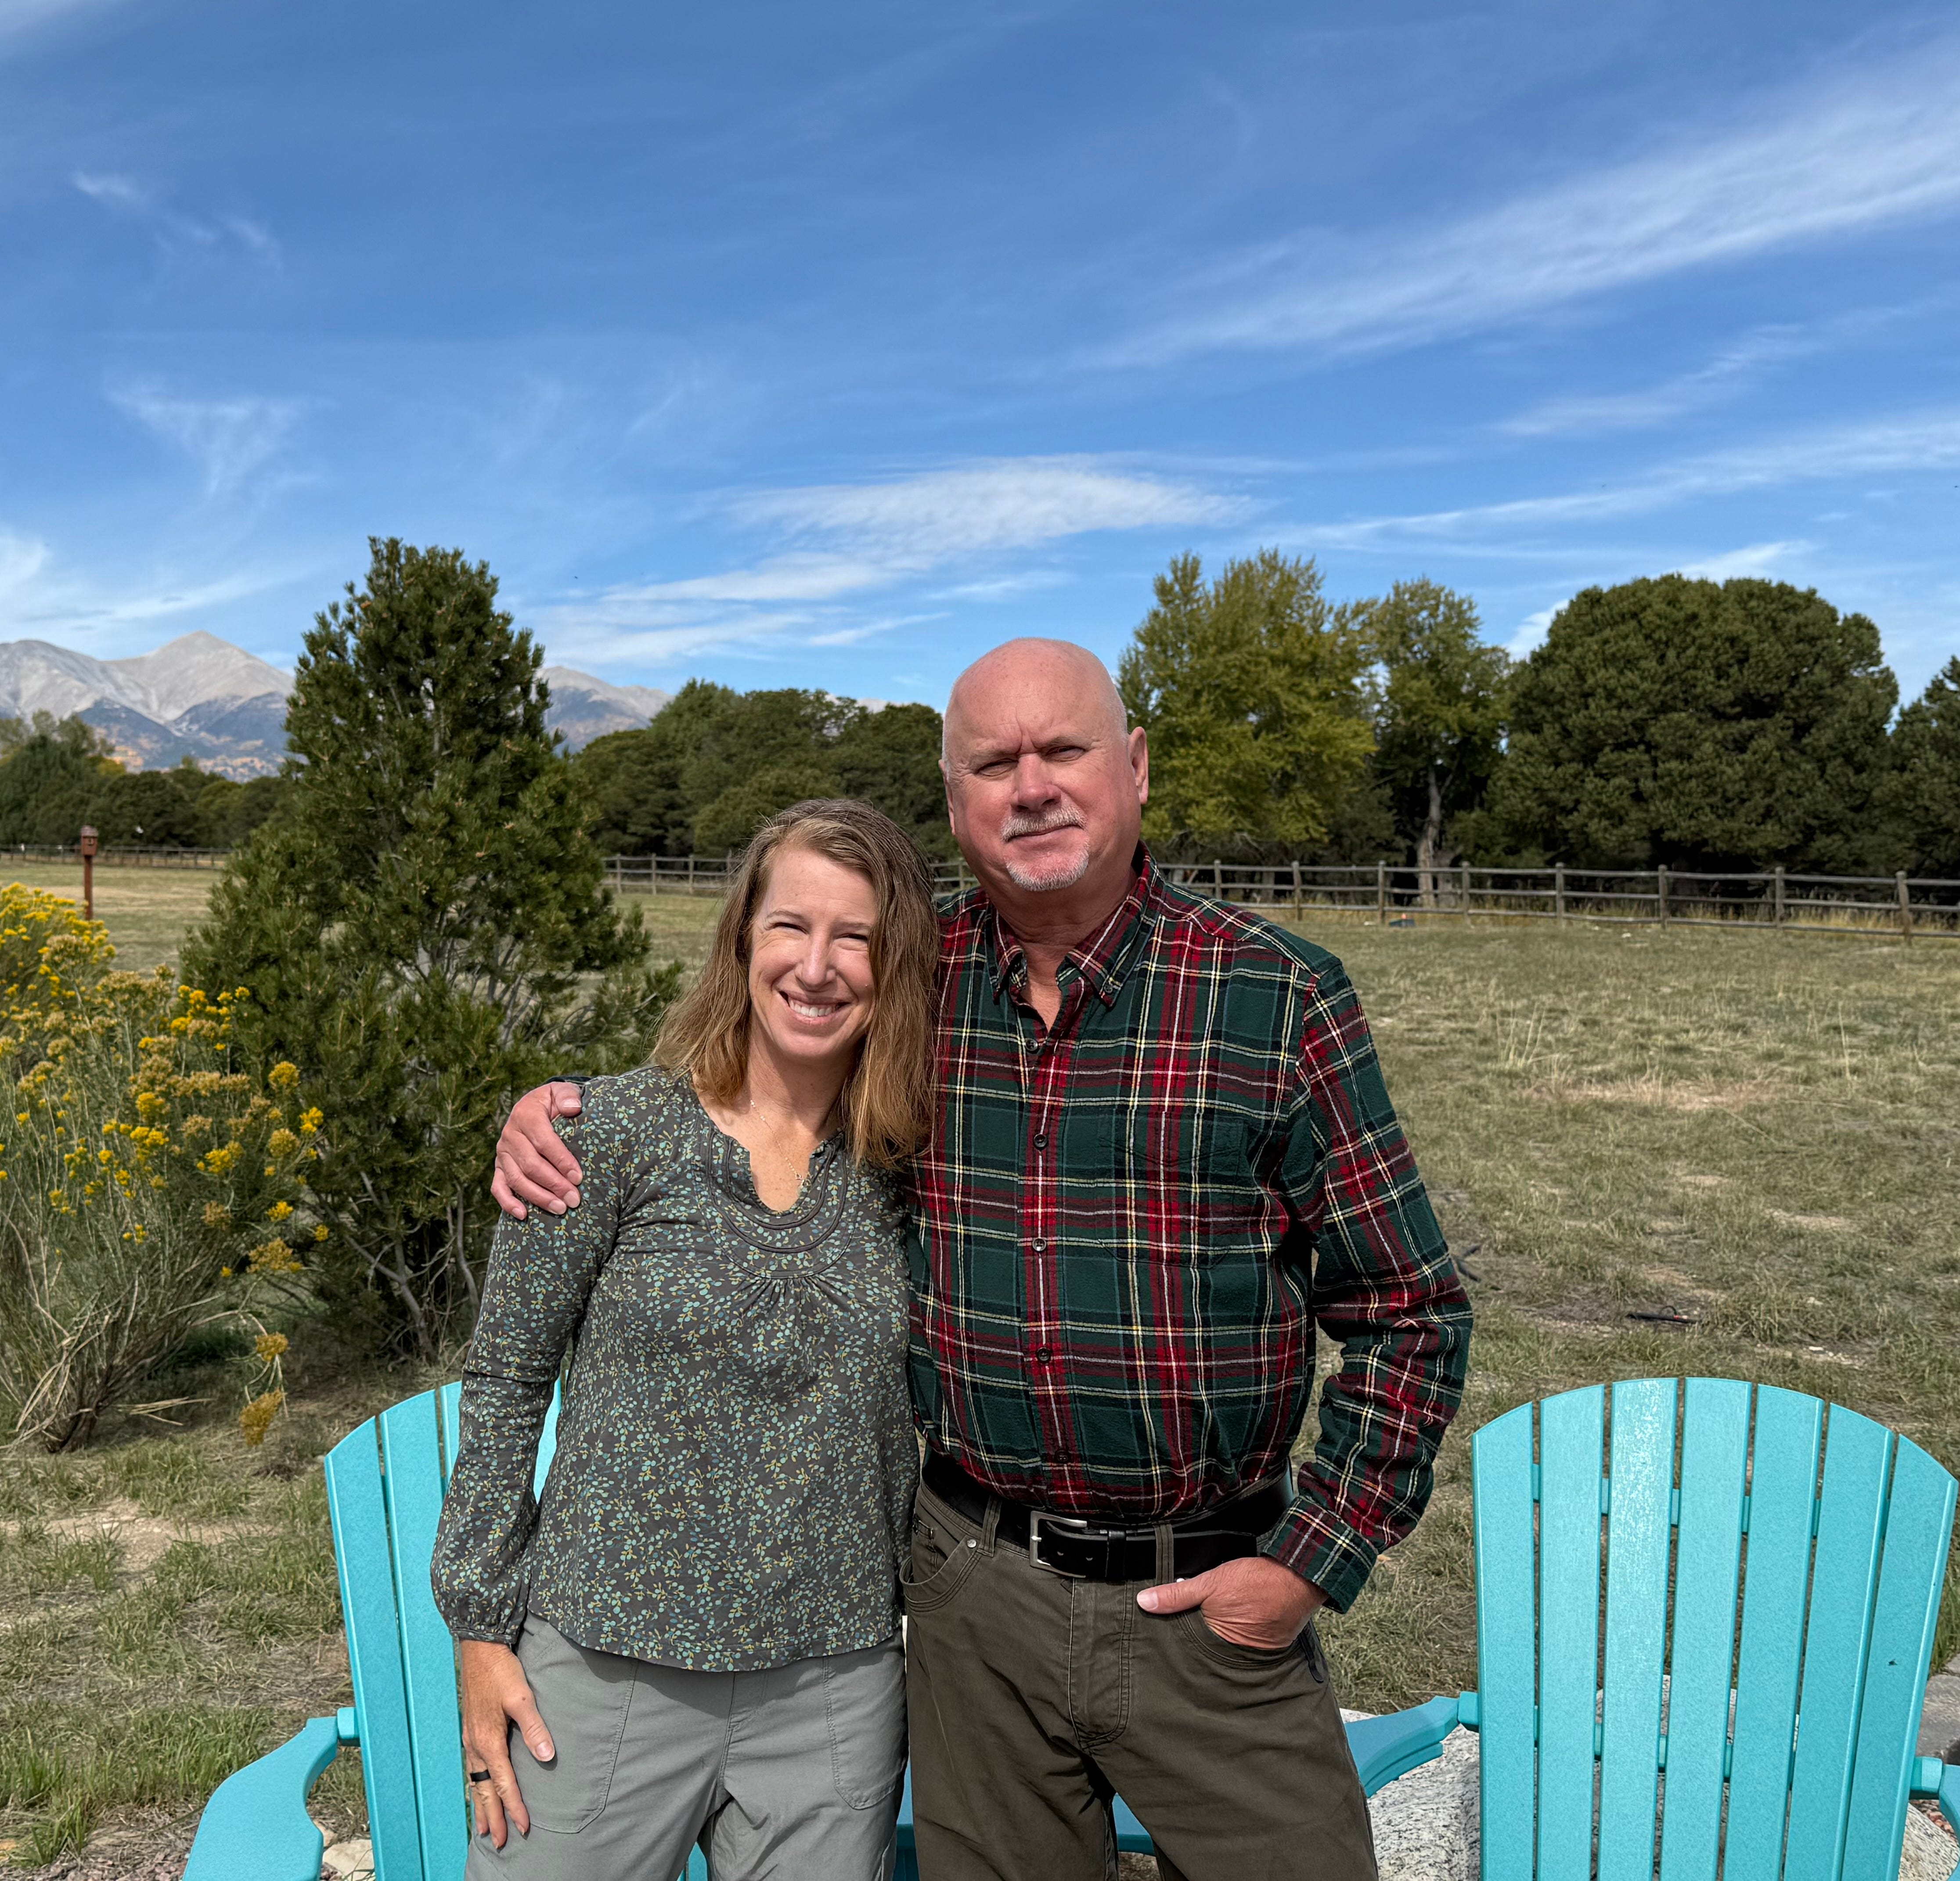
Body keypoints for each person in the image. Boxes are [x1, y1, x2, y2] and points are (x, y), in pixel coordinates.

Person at [493, 639, 1473, 1881]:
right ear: (952, 802)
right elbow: (745, 1085)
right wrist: (557, 1110)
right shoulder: (909, 980)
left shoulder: (1274, 996)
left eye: (1063, 750)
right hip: (974, 1598)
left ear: (1134, 768)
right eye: (993, 762)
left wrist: (1311, 1560)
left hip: (1213, 1601)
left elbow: (1410, 1310)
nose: (1033, 785)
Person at [432, 797, 940, 1880]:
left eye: (857, 937)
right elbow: (508, 1380)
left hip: (835, 1687)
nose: (818, 966)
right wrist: (480, 1629)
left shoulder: (915, 1166)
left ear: (893, 966)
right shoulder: (604, 1135)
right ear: (741, 942)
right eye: (791, 927)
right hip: (601, 1673)